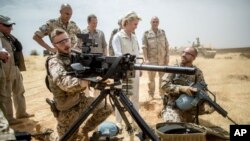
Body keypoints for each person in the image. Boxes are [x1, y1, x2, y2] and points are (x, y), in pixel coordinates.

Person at [46, 28, 112, 140]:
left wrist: (101, 76)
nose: (65, 44)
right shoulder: (54, 62)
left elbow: (89, 71)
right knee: (67, 138)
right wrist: (84, 82)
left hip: (80, 101)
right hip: (66, 108)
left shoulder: (75, 56)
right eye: (61, 42)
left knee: (106, 108)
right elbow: (64, 82)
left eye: (66, 40)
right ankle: (48, 135)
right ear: (54, 45)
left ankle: (84, 131)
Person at [161, 47, 214, 123]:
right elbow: (164, 85)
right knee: (173, 124)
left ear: (194, 57)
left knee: (212, 108)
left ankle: (188, 116)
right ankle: (167, 112)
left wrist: (206, 103)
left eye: (187, 54)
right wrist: (181, 88)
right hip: (174, 105)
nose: (183, 55)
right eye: (183, 52)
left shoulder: (197, 72)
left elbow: (203, 89)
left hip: (191, 106)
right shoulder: (174, 68)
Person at [0, 15, 34, 125]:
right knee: (6, 95)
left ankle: (21, 113)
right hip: (4, 70)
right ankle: (9, 119)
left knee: (19, 91)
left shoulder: (9, 37)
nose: (11, 28)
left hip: (15, 68)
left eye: (11, 25)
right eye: (8, 25)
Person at [112, 11, 141, 128]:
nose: (136, 26)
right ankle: (119, 123)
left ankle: (136, 121)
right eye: (135, 24)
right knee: (122, 97)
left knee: (135, 97)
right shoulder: (118, 37)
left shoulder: (134, 37)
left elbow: (137, 53)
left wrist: (139, 67)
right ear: (127, 23)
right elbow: (118, 54)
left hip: (135, 71)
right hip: (123, 72)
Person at [142, 16, 169, 100]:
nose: (155, 23)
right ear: (150, 22)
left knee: (163, 78)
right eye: (153, 21)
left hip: (162, 60)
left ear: (158, 22)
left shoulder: (162, 32)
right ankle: (151, 95)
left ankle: (162, 95)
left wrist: (167, 56)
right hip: (151, 61)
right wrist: (146, 59)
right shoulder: (146, 33)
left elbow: (167, 45)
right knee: (151, 80)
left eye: (157, 21)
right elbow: (144, 47)